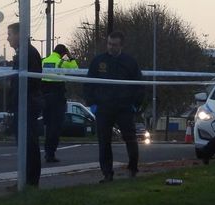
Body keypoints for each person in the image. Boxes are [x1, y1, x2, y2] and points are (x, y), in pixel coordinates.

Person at [84, 31, 143, 183]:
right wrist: (92, 104)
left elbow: (139, 85)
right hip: (104, 107)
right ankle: (107, 174)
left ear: (121, 45)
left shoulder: (130, 62)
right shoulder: (99, 61)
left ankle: (133, 169)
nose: (111, 47)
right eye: (109, 44)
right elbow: (89, 83)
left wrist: (135, 105)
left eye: (114, 45)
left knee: (130, 139)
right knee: (104, 142)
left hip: (124, 107)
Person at [7, 22, 43, 187]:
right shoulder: (24, 52)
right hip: (23, 104)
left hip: (27, 104)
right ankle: (25, 179)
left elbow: (29, 81)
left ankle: (29, 181)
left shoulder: (27, 53)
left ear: (18, 35)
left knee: (28, 143)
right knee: (24, 144)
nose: (8, 39)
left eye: (10, 35)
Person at [41, 44, 78, 162]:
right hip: (57, 97)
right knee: (56, 127)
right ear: (63, 53)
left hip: (45, 97)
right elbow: (76, 69)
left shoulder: (44, 60)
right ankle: (50, 153)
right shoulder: (61, 62)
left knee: (48, 126)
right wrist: (70, 57)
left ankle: (48, 152)